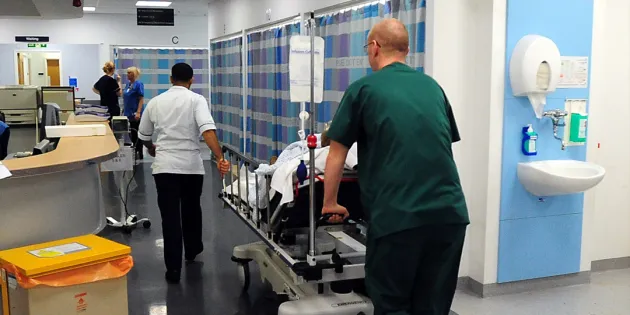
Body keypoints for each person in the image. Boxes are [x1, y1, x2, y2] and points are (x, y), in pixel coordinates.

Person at [322, 19, 470, 315]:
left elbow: (336, 153)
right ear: (407, 49)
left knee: (392, 304)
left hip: (398, 217)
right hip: (449, 216)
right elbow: (436, 145)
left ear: (374, 48)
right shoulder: (432, 87)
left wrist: (330, 202)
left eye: (367, 48)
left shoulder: (363, 89)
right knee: (432, 306)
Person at [138, 63, 231, 283]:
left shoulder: (156, 102)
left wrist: (151, 148)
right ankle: (191, 250)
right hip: (191, 167)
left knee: (169, 217)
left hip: (164, 168)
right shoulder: (196, 100)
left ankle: (173, 270)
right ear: (192, 80)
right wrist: (219, 157)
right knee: (191, 209)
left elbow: (143, 135)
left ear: (171, 79)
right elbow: (207, 130)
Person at [123, 66, 145, 159]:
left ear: (134, 74)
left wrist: (138, 112)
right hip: (128, 112)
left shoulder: (138, 84)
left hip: (135, 112)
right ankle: (135, 149)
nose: (127, 75)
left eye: (129, 73)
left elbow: (141, 99)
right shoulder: (128, 85)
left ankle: (139, 151)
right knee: (131, 132)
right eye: (127, 73)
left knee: (136, 132)